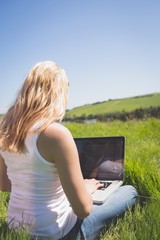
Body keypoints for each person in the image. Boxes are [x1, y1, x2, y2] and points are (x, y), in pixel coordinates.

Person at [0, 61, 138, 240]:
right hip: (58, 234)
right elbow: (83, 209)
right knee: (129, 192)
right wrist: (85, 189)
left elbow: (4, 184)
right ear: (58, 94)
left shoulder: (5, 130)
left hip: (15, 229)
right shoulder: (56, 134)